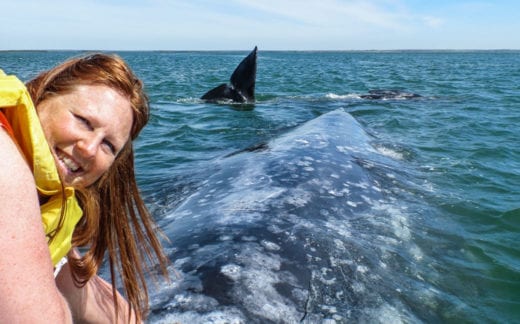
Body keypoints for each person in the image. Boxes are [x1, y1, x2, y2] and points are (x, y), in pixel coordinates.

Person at [0, 53, 169, 323]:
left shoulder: (54, 200)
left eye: (108, 145)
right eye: (83, 121)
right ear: (41, 94)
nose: (89, 149)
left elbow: (79, 286)